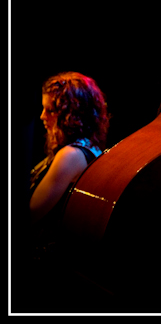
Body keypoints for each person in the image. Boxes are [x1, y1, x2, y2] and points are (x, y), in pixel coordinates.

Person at [28, 71, 110, 270]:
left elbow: (30, 215)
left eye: (50, 110)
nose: (42, 116)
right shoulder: (89, 148)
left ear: (71, 115)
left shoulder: (71, 155)